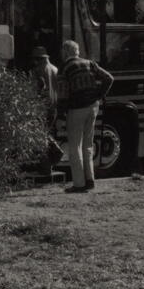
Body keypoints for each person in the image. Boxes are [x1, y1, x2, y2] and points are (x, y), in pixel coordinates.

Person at [58, 40, 114, 193]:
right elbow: (109, 78)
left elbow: (63, 94)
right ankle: (90, 180)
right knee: (88, 145)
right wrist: (98, 95)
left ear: (65, 52)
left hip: (77, 108)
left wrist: (61, 116)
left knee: (75, 146)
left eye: (62, 51)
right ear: (77, 52)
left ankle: (79, 183)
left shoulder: (64, 68)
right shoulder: (89, 63)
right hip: (93, 106)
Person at [30, 46, 62, 175]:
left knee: (40, 137)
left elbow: (34, 90)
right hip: (53, 108)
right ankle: (50, 165)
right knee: (48, 134)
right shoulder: (56, 69)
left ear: (37, 59)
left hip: (41, 107)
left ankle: (46, 167)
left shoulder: (36, 71)